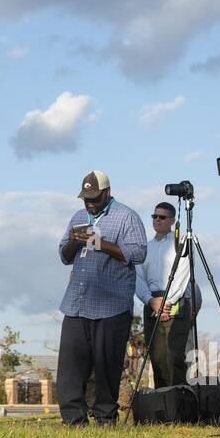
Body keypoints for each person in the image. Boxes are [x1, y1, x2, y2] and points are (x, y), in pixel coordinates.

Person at [56, 170, 147, 425]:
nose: (90, 203)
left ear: (107, 193)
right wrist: (75, 241)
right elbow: (64, 256)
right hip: (76, 303)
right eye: (86, 198)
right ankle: (73, 420)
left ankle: (105, 418)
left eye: (95, 198)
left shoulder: (127, 217)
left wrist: (99, 242)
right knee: (70, 369)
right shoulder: (77, 216)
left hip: (111, 305)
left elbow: (138, 253)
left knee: (107, 367)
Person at [134, 202, 202, 388]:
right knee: (157, 357)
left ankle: (179, 401)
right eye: (154, 216)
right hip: (151, 301)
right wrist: (150, 300)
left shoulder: (181, 243)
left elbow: (183, 274)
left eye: (162, 217)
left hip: (176, 300)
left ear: (171, 221)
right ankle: (162, 404)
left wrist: (167, 302)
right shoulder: (145, 248)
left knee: (175, 356)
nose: (157, 220)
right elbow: (138, 277)